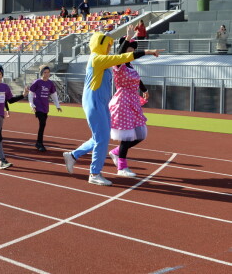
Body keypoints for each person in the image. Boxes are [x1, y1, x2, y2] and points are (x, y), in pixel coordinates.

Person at [63, 25, 163, 186]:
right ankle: (94, 173)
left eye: (110, 45)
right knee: (102, 139)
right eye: (107, 45)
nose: (110, 47)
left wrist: (128, 37)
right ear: (100, 44)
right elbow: (120, 58)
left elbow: (118, 58)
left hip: (102, 102)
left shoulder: (102, 59)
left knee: (99, 137)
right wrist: (147, 51)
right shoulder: (96, 58)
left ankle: (73, 155)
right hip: (93, 101)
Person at [108, 36, 150, 177]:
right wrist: (127, 38)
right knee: (127, 136)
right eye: (128, 52)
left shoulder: (130, 67)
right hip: (123, 101)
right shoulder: (118, 64)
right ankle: (122, 167)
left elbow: (137, 80)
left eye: (132, 52)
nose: (130, 54)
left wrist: (144, 90)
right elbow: (120, 55)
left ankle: (116, 152)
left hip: (133, 101)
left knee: (140, 135)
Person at [28, 66, 62, 152]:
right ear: (41, 73)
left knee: (43, 125)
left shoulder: (50, 83)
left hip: (45, 107)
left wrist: (57, 105)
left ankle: (38, 142)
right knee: (42, 123)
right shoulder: (37, 82)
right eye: (45, 72)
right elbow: (31, 93)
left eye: (48, 72)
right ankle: (39, 143)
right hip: (38, 106)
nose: (46, 74)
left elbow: (53, 94)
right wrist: (32, 104)